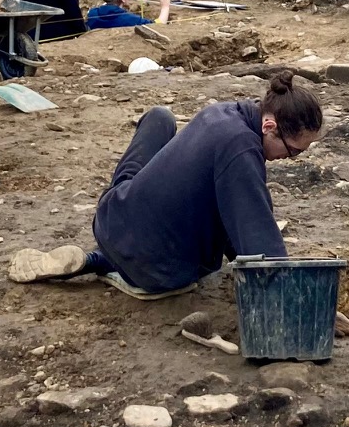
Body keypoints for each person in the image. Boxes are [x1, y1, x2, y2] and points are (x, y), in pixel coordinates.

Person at [47, 72, 323, 294]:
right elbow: (257, 233)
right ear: (269, 126)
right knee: (232, 201)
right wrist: (302, 299)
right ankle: (121, 269)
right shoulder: (240, 150)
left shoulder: (225, 113)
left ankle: (105, 259)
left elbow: (237, 221)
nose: (288, 158)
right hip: (158, 271)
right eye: (293, 150)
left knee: (159, 118)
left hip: (112, 220)